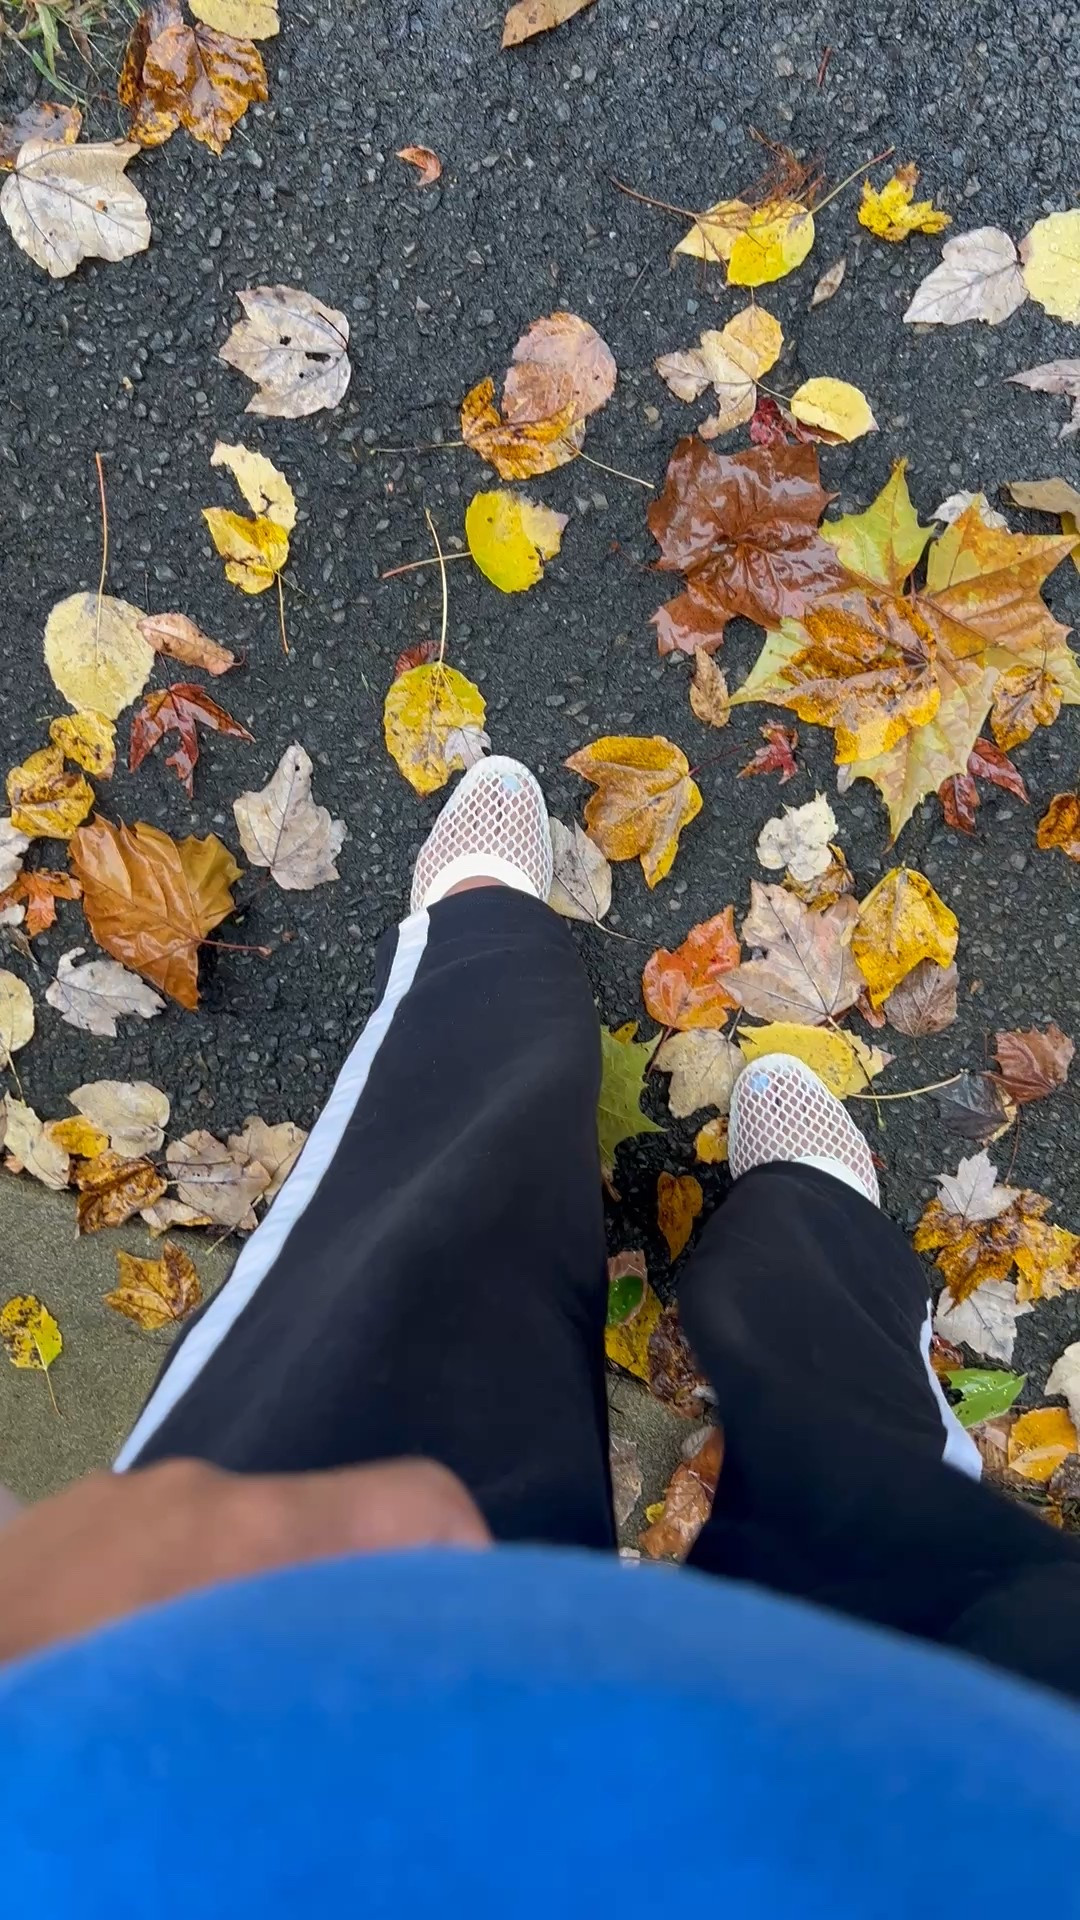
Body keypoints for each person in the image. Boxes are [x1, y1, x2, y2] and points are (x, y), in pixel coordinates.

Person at [2, 757, 1079, 1916]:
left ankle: (486, 982)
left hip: (256, 1813)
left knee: (402, 1270)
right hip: (964, 1824)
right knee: (883, 1503)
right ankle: (815, 1238)